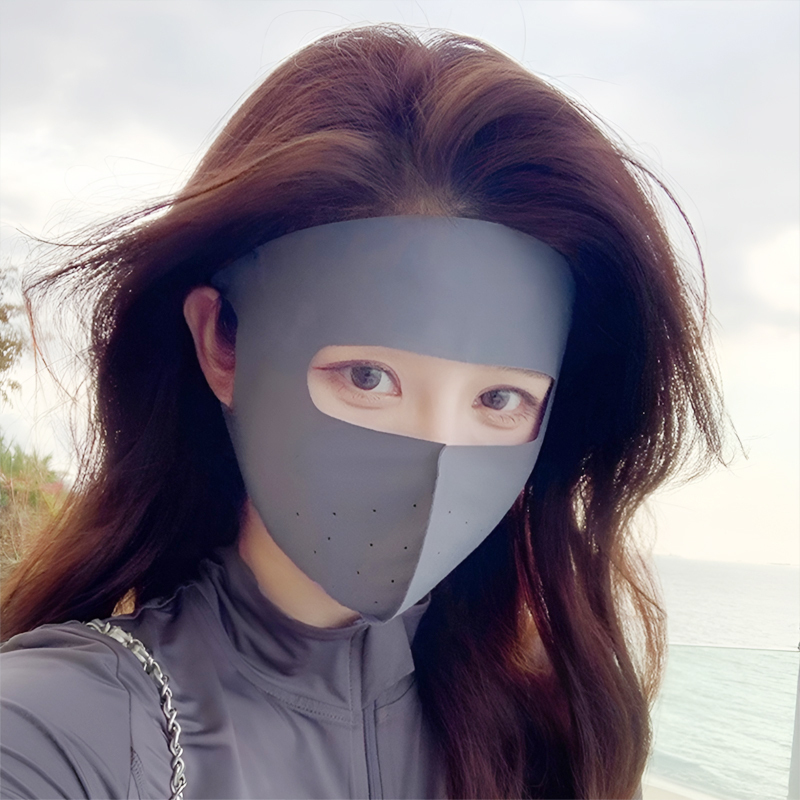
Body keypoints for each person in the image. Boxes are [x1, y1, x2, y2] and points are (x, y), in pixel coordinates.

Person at [0, 25, 726, 800]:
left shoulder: (553, 735)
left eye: (498, 399)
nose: (434, 461)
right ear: (222, 344)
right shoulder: (58, 732)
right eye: (370, 378)